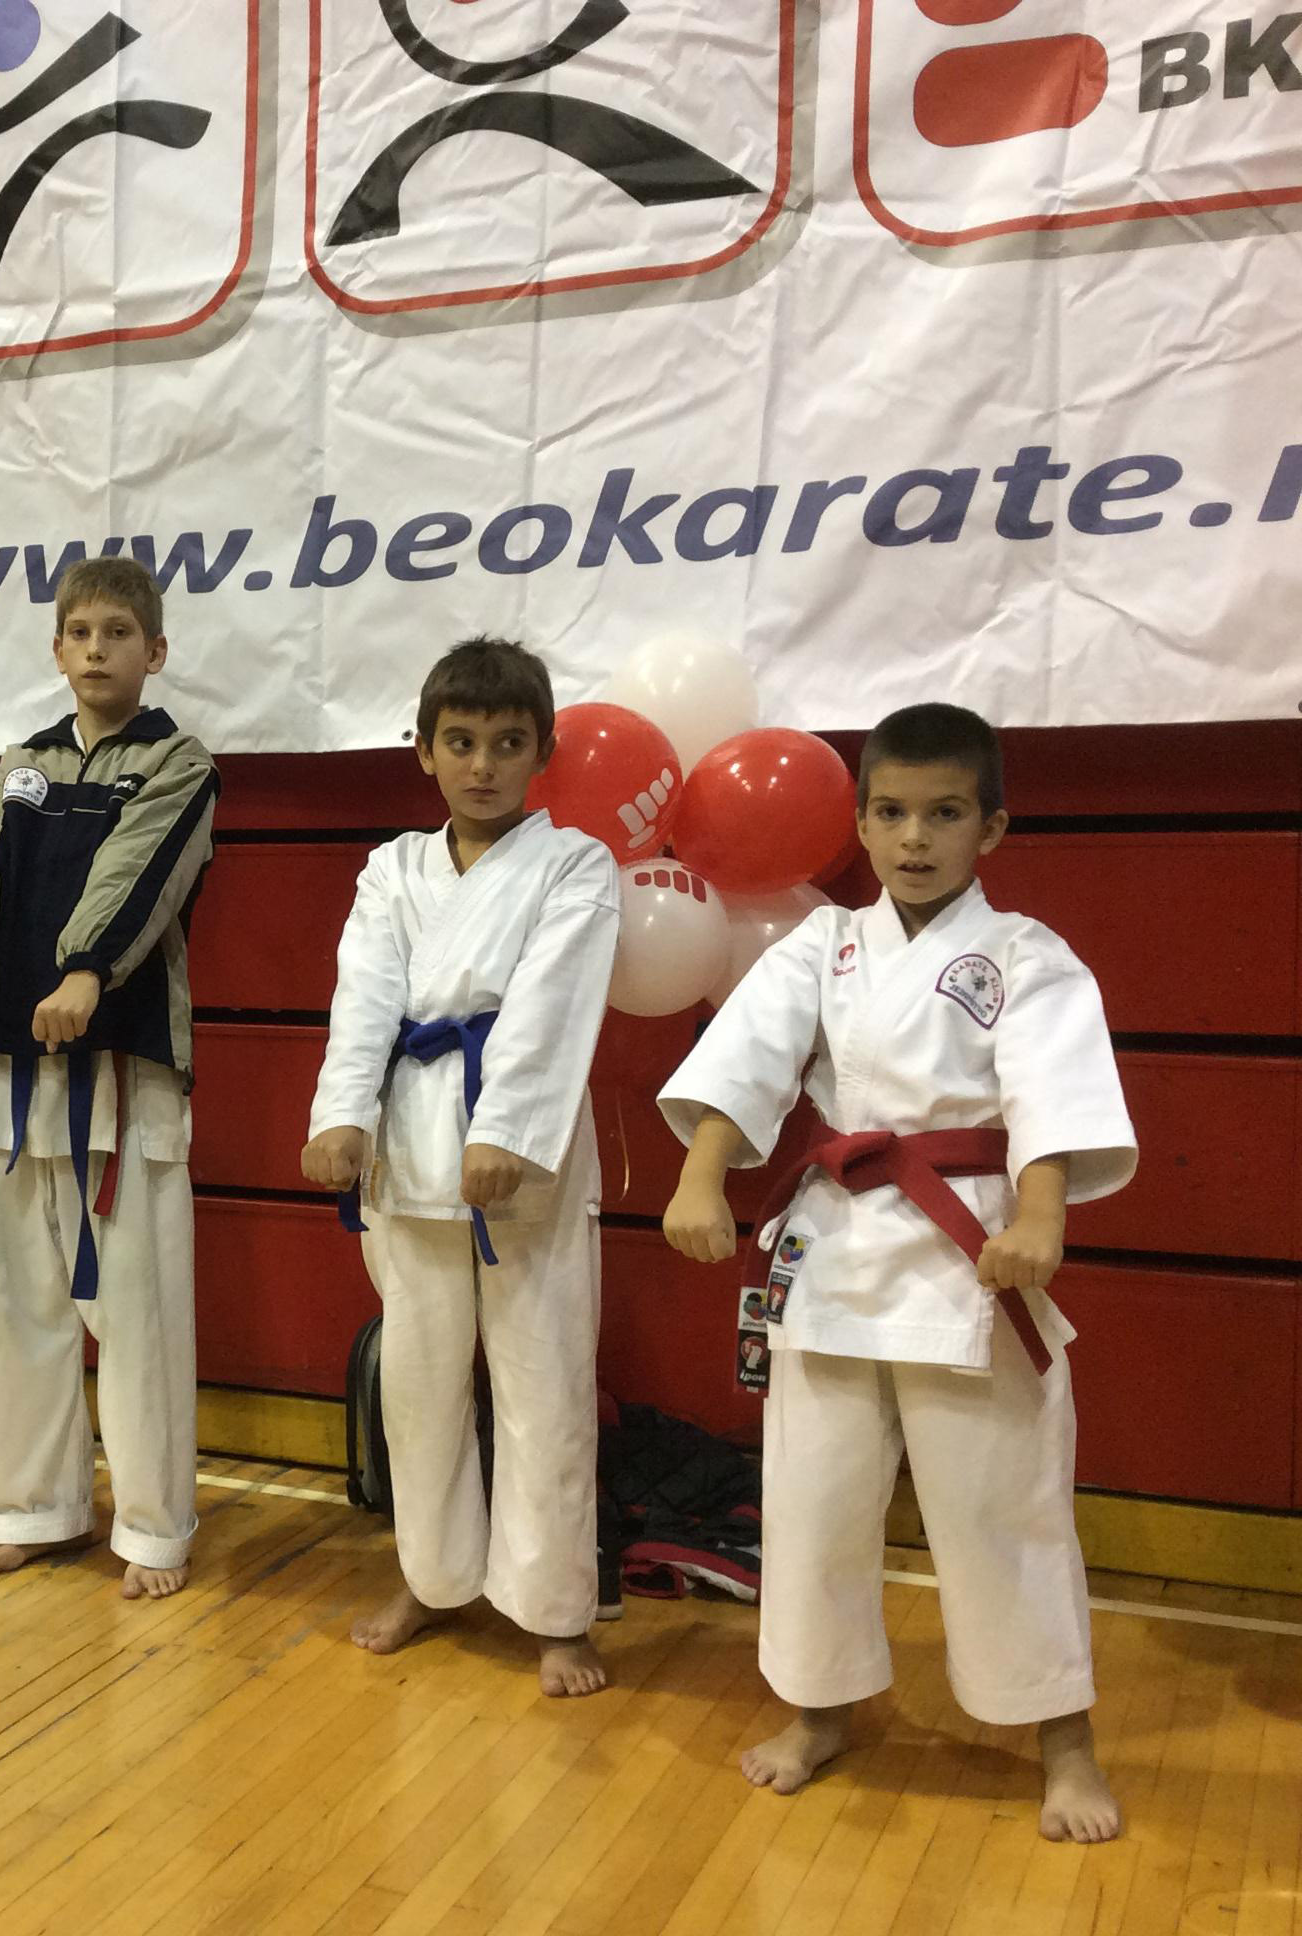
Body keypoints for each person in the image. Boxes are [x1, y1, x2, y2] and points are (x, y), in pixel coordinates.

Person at [658, 702, 1137, 1843]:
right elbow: (749, 1057)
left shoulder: (1024, 954)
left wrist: (1042, 1213)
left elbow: (1049, 1088)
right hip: (831, 1250)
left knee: (1002, 1506)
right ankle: (819, 1707)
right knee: (813, 1501)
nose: (915, 837)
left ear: (991, 827)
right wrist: (700, 1177)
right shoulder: (822, 944)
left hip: (969, 1253)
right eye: (891, 812)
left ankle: (1064, 1740)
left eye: (945, 813)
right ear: (862, 825)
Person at [301, 638, 619, 1695]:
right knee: (419, 1385)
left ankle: (556, 1609)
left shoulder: (575, 863)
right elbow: (362, 993)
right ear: (425, 750)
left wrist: (506, 1132)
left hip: (520, 1152)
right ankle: (432, 1579)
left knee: (545, 1384)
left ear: (544, 753)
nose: (483, 764)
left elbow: (552, 1003)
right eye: (462, 742)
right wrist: (342, 1114)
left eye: (508, 743)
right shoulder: (392, 867)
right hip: (409, 1141)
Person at [0, 555, 219, 1600]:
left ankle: (153, 1529)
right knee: (17, 1301)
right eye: (80, 633)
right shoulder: (24, 765)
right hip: (10, 1065)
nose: (96, 650)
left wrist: (87, 968)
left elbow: (143, 871)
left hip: (121, 1070)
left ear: (155, 651)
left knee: (136, 1311)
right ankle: (34, 1510)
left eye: (118, 634)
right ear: (56, 649)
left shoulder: (178, 762)